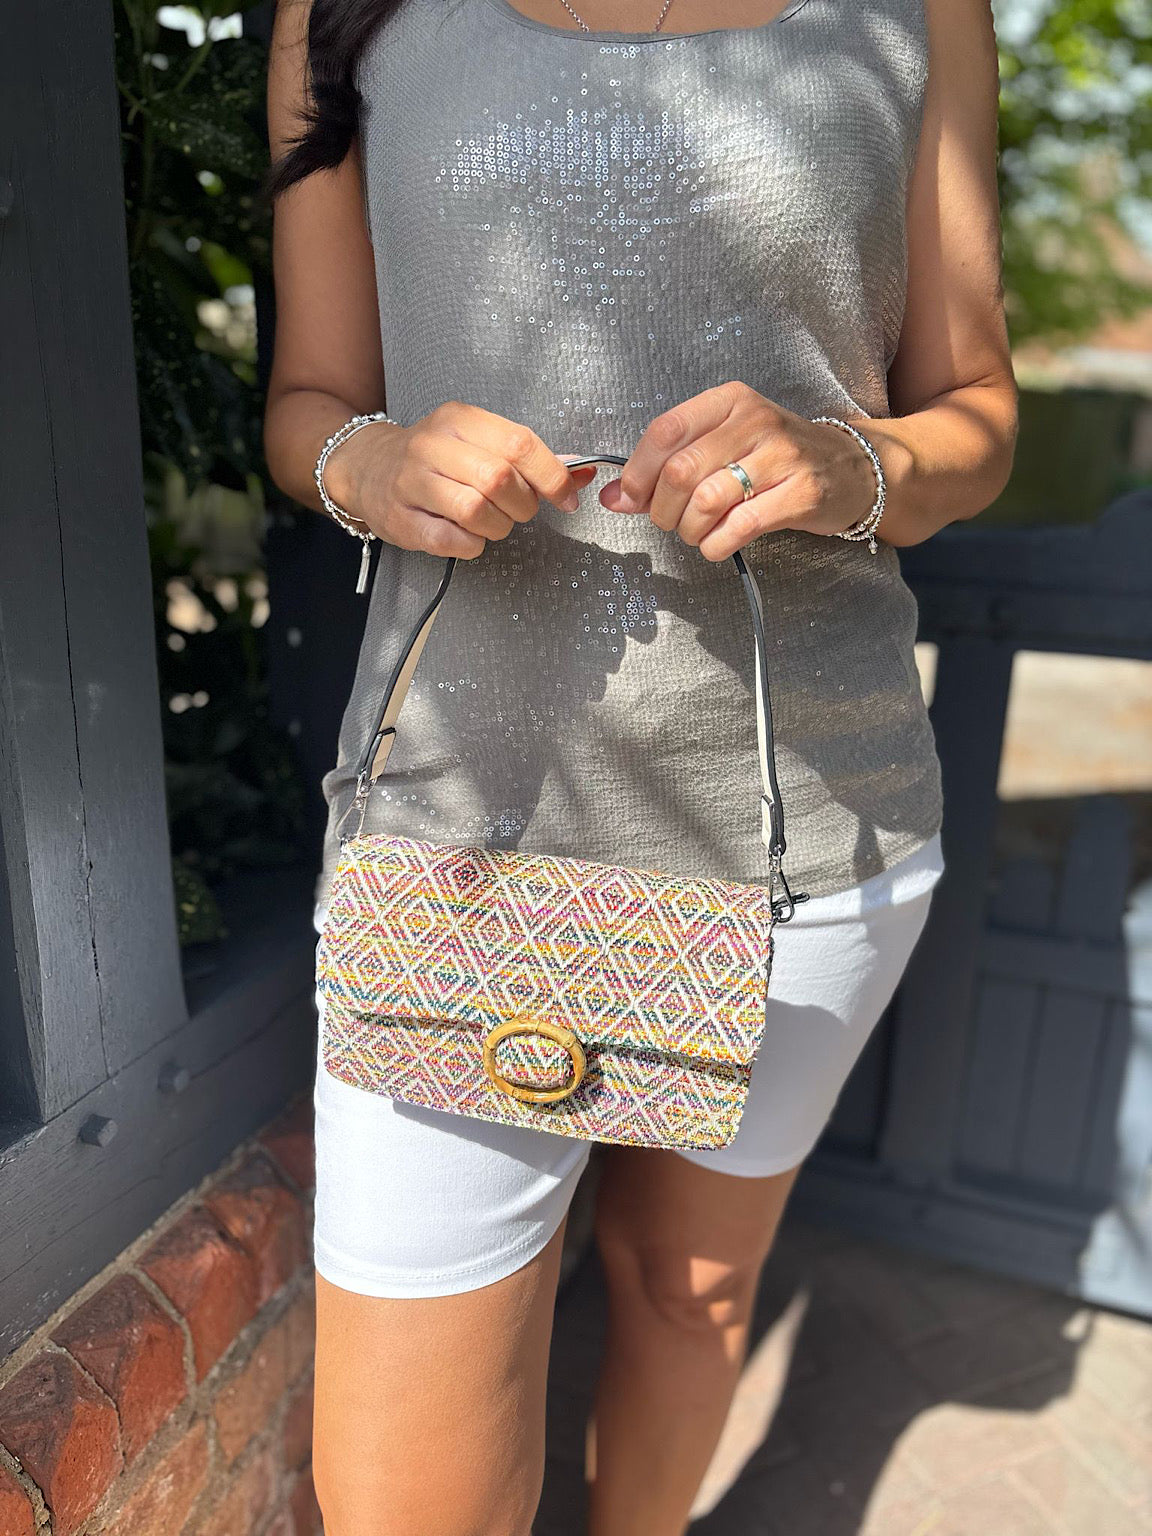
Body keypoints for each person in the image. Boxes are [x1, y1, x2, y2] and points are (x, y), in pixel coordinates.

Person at [261, 0, 1017, 1528]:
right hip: (458, 841)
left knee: (690, 1298)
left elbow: (981, 422)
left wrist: (851, 459)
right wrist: (376, 459)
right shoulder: (341, 12)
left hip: (810, 824)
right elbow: (306, 403)